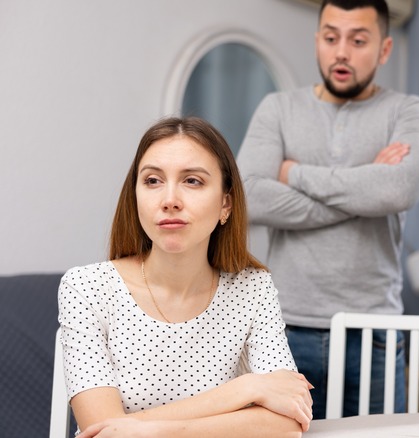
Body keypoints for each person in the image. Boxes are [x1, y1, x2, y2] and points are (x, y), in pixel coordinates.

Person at [236, 0, 419, 419]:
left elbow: (398, 189)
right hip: (285, 329)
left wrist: (294, 173)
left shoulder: (407, 111)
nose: (341, 51)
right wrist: (366, 186)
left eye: (358, 40)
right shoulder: (278, 108)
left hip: (375, 333)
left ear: (384, 50)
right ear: (317, 43)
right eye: (331, 38)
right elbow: (249, 196)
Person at [57, 117, 313, 437]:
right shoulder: (86, 287)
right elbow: (100, 429)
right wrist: (244, 390)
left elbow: (288, 421)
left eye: (192, 181)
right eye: (152, 181)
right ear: (134, 196)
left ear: (225, 204)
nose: (170, 200)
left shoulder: (253, 288)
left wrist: (146, 431)